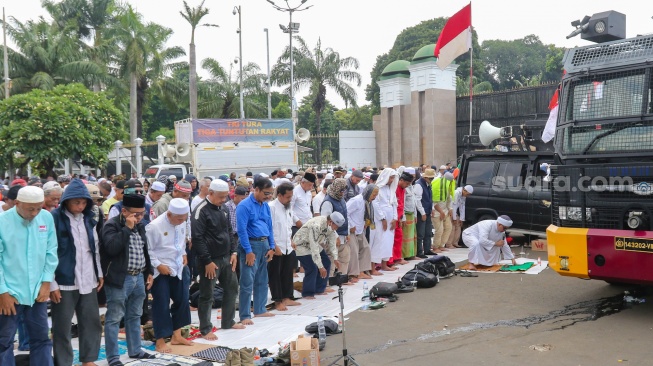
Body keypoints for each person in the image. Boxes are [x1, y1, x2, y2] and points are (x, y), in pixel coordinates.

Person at [0, 186, 58, 366]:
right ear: (17, 203)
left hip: (37, 293)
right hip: (11, 293)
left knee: (41, 339)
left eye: (38, 208)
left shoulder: (46, 218)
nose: (34, 213)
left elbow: (51, 251)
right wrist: (3, 292)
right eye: (29, 208)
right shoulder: (2, 222)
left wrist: (46, 283)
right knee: (4, 342)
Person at [50, 179, 103, 366]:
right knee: (62, 326)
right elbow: (49, 252)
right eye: (76, 202)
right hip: (64, 280)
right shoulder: (54, 218)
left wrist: (99, 273)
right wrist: (52, 283)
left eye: (83, 203)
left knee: (91, 321)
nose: (80, 206)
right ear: (67, 201)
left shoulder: (89, 219)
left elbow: (94, 247)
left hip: (88, 277)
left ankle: (88, 359)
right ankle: (63, 362)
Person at [101, 194, 155, 366]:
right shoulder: (111, 225)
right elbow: (112, 248)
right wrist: (127, 229)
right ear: (124, 211)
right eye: (135, 214)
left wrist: (149, 271)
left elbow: (145, 250)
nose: (139, 217)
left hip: (139, 276)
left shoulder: (140, 226)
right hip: (119, 278)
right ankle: (113, 357)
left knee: (135, 315)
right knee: (114, 318)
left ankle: (135, 350)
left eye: (142, 214)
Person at [191, 179, 243, 340]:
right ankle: (205, 329)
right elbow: (197, 238)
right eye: (220, 197)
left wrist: (233, 252)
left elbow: (229, 231)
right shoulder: (201, 211)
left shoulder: (224, 209)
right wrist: (207, 261)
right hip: (209, 261)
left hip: (226, 258)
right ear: (210, 193)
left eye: (225, 197)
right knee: (207, 294)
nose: (223, 200)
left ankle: (228, 321)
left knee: (232, 288)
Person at [146, 198, 194, 353]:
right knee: (161, 303)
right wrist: (159, 265)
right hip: (160, 270)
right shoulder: (154, 226)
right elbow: (148, 250)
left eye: (184, 218)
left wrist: (184, 253)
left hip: (177, 266)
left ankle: (177, 335)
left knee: (182, 299)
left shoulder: (181, 222)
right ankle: (160, 340)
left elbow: (180, 242)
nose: (181, 221)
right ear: (169, 214)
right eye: (178, 218)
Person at [236, 177, 276, 325]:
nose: (269, 196)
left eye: (271, 193)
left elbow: (270, 227)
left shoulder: (265, 205)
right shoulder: (244, 206)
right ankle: (245, 315)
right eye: (266, 193)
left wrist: (271, 246)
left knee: (262, 279)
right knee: (247, 281)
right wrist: (248, 251)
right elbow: (241, 230)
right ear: (256, 189)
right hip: (251, 246)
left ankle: (260, 309)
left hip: (264, 244)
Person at [268, 182, 301, 311]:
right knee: (275, 274)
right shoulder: (271, 207)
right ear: (280, 195)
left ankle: (287, 297)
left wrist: (291, 240)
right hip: (276, 246)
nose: (290, 199)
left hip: (288, 245)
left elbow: (288, 226)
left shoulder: (288, 207)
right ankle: (277, 300)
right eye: (287, 196)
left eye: (291, 196)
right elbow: (269, 229)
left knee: (287, 272)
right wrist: (274, 246)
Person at [294, 213, 343, 299]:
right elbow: (314, 247)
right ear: (331, 222)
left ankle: (319, 289)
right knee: (312, 267)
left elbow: (332, 243)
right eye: (336, 226)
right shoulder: (316, 225)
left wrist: (335, 258)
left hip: (313, 244)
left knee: (326, 262)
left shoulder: (331, 227)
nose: (336, 229)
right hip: (300, 244)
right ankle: (307, 293)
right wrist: (320, 266)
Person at [320, 178, 351, 282]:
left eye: (344, 191)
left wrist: (347, 232)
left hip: (343, 234)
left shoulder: (341, 199)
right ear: (336, 189)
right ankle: (327, 282)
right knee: (332, 259)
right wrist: (335, 236)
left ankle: (341, 280)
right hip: (332, 236)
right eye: (341, 190)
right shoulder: (328, 201)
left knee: (344, 257)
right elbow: (326, 222)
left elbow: (346, 216)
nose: (343, 193)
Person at [369, 169, 398, 272]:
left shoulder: (391, 189)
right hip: (379, 220)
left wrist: (395, 218)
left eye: (393, 178)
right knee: (377, 242)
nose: (392, 180)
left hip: (390, 221)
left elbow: (394, 204)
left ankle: (384, 265)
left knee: (388, 243)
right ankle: (373, 267)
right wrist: (382, 218)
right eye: (390, 177)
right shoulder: (378, 188)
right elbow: (375, 204)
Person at [346, 184, 376, 280]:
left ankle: (362, 271)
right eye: (373, 195)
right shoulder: (356, 200)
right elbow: (345, 212)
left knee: (365, 248)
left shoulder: (367, 202)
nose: (374, 198)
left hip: (360, 229)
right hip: (352, 230)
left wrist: (365, 222)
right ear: (368, 193)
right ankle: (352, 274)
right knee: (353, 251)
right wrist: (350, 226)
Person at [431, 172, 455, 254]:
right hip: (437, 212)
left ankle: (441, 245)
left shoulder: (447, 187)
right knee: (439, 230)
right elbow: (434, 203)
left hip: (445, 211)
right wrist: (441, 212)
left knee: (448, 228)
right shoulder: (437, 186)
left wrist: (450, 209)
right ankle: (435, 247)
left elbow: (449, 200)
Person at [391, 170, 412, 266]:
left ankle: (397, 258)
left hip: (399, 216)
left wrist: (402, 218)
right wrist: (397, 218)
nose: (407, 185)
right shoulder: (395, 188)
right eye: (406, 183)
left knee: (399, 237)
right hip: (393, 217)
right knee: (393, 239)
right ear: (401, 180)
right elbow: (394, 205)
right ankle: (392, 259)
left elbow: (401, 205)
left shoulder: (403, 189)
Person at [414, 168, 435, 257]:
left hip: (427, 211)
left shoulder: (428, 184)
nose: (431, 180)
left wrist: (432, 209)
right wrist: (422, 213)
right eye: (430, 178)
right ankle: (419, 252)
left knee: (428, 232)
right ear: (425, 177)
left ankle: (427, 249)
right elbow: (418, 201)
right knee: (421, 233)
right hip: (421, 212)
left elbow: (430, 198)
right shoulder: (419, 185)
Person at [401, 169, 418, 260]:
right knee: (406, 237)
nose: (413, 178)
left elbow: (414, 201)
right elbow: (402, 203)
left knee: (412, 237)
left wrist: (415, 214)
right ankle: (404, 256)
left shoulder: (411, 186)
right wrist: (403, 217)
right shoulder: (404, 187)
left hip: (411, 214)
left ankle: (412, 255)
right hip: (406, 215)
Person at [291, 172, 315, 237]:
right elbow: (289, 209)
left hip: (307, 225)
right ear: (303, 182)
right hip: (296, 225)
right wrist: (297, 221)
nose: (311, 187)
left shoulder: (309, 193)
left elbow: (308, 208)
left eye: (312, 185)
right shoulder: (294, 192)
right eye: (310, 185)